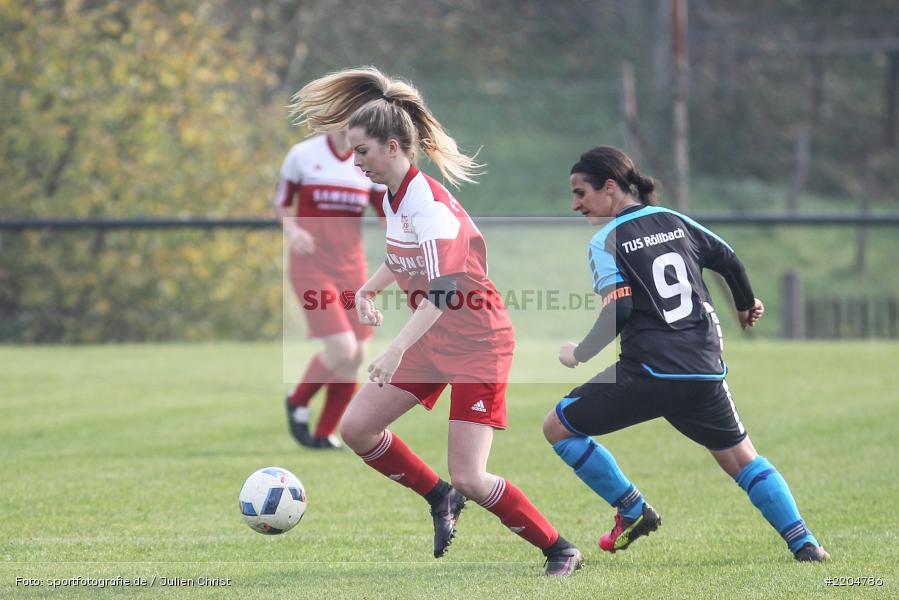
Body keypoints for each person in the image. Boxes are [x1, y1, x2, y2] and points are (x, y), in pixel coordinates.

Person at [289, 66, 583, 576]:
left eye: (362, 151)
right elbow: (401, 258)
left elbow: (444, 292)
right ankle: (438, 496)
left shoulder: (430, 207)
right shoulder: (391, 196)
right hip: (433, 339)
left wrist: (397, 346)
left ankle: (560, 549)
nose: (355, 162)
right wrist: (367, 289)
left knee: (472, 474)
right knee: (357, 428)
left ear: (395, 146)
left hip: (477, 342)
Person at [542, 146, 830, 562]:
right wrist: (746, 304)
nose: (575, 204)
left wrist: (580, 353)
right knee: (742, 458)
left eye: (581, 192)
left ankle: (632, 509)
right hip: (704, 370)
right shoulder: (677, 221)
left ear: (609, 187)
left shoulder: (606, 240)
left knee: (559, 427)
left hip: (651, 372)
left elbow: (619, 307)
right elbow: (728, 259)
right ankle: (805, 544)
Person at [276, 128, 385, 449]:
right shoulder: (303, 154)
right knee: (342, 348)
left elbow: (386, 214)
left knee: (357, 355)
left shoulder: (368, 159)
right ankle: (298, 401)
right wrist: (293, 231)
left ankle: (325, 434)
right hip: (311, 266)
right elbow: (282, 204)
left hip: (352, 269)